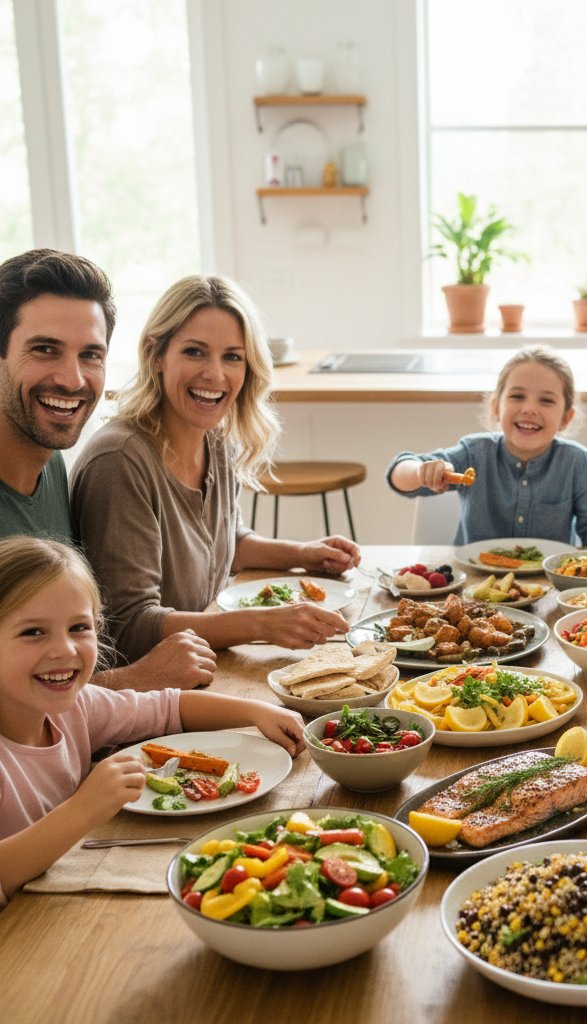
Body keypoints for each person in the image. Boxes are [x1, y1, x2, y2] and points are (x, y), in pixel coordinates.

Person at [0, 536, 306, 909]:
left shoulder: (75, 707)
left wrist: (256, 712)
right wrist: (84, 809)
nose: (64, 649)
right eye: (33, 632)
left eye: (79, 628)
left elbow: (168, 707)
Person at [70, 274, 361, 662]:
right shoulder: (120, 461)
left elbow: (224, 545)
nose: (215, 374)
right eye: (194, 352)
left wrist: (305, 553)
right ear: (156, 354)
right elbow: (129, 628)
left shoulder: (216, 439)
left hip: (208, 665)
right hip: (148, 695)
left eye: (232, 357)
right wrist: (262, 624)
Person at [0, 248, 215, 690]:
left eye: (91, 355)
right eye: (44, 349)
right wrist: (141, 678)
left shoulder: (53, 464)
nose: (73, 379)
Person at [387, 345, 587, 550]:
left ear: (566, 418)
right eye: (517, 396)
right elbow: (399, 475)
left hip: (548, 589)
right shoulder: (475, 453)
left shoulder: (576, 461)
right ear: (496, 407)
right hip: (475, 590)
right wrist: (421, 470)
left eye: (546, 400)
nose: (530, 408)